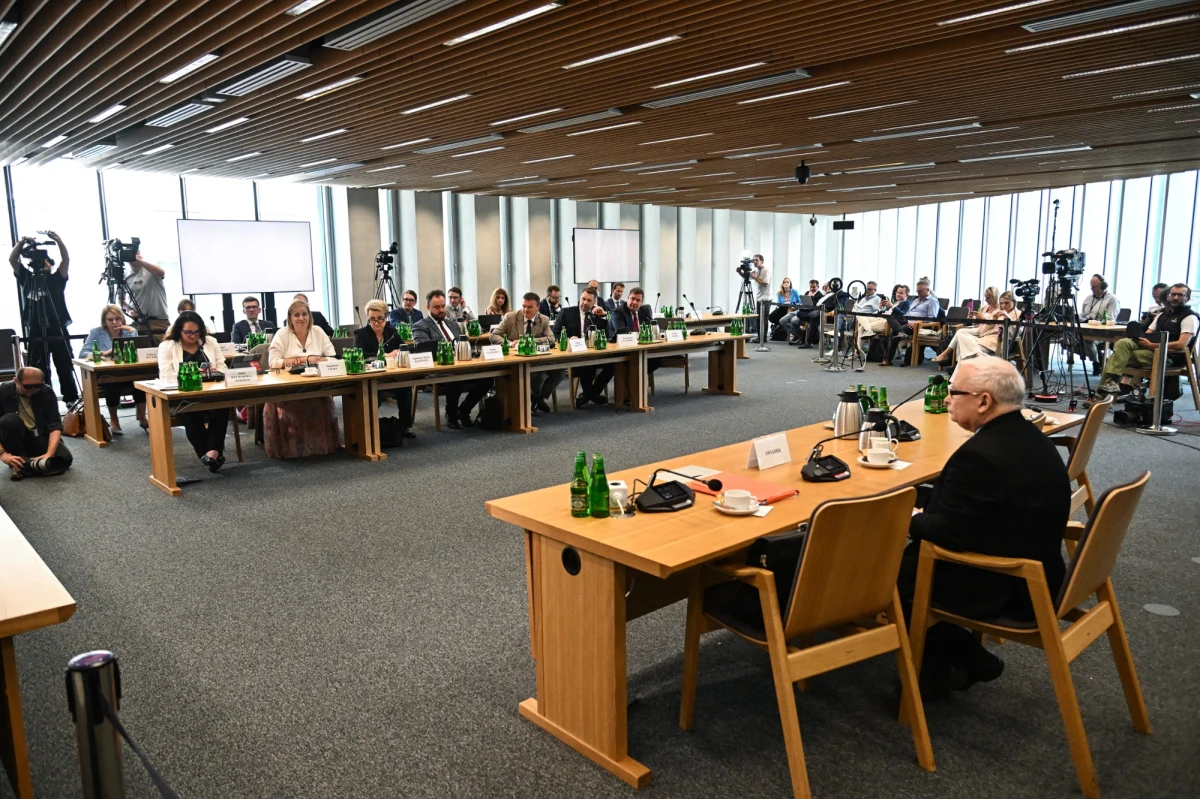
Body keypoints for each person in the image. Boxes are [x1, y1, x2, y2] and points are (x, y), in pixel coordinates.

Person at [897, 358, 1070, 694]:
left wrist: (913, 519)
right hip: (1038, 570)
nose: (947, 399)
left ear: (984, 401)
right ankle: (965, 659)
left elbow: (952, 534)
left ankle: (950, 667)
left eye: (954, 392)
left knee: (885, 576)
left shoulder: (979, 455)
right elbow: (981, 505)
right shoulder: (1032, 439)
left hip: (1001, 585)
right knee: (916, 510)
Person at [8, 232, 79, 404]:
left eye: (47, 262)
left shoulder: (56, 279)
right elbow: (12, 260)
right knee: (39, 367)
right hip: (36, 329)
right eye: (41, 261)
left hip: (57, 327)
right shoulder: (27, 279)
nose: (44, 264)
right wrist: (22, 242)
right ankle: (43, 400)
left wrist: (58, 241)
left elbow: (66, 261)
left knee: (64, 366)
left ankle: (71, 399)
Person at [1096, 283, 1197, 400]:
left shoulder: (1190, 317)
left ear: (1187, 298)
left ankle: (1100, 396)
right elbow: (1147, 335)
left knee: (1115, 358)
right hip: (1152, 351)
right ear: (1168, 296)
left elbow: (1181, 345)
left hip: (1169, 356)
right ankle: (1110, 384)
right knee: (1123, 343)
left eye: (1180, 295)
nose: (1175, 297)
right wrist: (1138, 337)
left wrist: (1151, 345)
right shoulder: (1162, 315)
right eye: (1173, 294)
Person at [264, 300, 340, 457]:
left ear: (310, 316)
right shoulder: (282, 334)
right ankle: (293, 447)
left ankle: (317, 444)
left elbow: (333, 357)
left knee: (319, 401)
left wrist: (317, 359)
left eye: (304, 314)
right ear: (290, 318)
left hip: (316, 385)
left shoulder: (318, 331)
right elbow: (273, 363)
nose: (301, 318)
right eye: (296, 315)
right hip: (288, 388)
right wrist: (297, 360)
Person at [157, 312, 229, 472]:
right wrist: (198, 372)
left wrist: (215, 371)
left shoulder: (210, 342)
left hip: (211, 392)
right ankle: (213, 454)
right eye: (188, 332)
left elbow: (223, 367)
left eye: (197, 332)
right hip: (182, 394)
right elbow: (166, 375)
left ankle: (211, 454)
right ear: (179, 331)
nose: (193, 336)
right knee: (191, 411)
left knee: (224, 406)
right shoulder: (167, 346)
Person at [412, 290, 493, 429]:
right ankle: (451, 414)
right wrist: (449, 347)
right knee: (455, 377)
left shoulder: (453, 324)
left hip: (461, 365)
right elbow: (422, 347)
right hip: (438, 368)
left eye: (443, 306)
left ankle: (464, 410)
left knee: (487, 378)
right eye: (436, 307)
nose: (441, 310)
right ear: (428, 308)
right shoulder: (420, 325)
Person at [491, 292, 564, 415]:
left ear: (538, 308)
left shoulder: (543, 319)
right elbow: (493, 336)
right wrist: (508, 343)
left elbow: (551, 339)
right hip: (514, 360)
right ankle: (534, 401)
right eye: (523, 306)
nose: (525, 310)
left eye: (530, 307)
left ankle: (537, 399)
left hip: (537, 358)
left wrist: (528, 341)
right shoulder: (510, 317)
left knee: (560, 372)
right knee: (538, 374)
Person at [79, 305, 146, 433]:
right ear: (104, 321)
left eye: (117, 318)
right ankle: (114, 421)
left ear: (122, 319)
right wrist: (105, 353)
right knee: (112, 385)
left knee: (141, 382)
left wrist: (134, 333)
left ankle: (142, 417)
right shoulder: (96, 332)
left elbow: (138, 351)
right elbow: (83, 354)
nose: (114, 322)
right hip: (107, 375)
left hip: (127, 372)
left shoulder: (128, 331)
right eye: (110, 319)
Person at [354, 299, 413, 438]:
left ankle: (406, 426)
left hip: (393, 374)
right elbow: (360, 355)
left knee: (405, 388)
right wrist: (386, 356)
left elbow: (404, 348)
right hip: (373, 377)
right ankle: (368, 429)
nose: (376, 323)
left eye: (380, 319)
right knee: (375, 394)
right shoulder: (361, 334)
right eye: (372, 319)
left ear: (386, 317)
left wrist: (399, 352)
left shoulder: (392, 332)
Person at [0, 367, 73, 480]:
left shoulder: (46, 391)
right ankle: (21, 460)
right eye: (27, 386)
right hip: (14, 438)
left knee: (65, 459)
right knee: (9, 420)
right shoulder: (3, 391)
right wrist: (3, 454)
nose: (31, 390)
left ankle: (23, 466)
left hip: (38, 435)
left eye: (37, 386)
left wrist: (49, 453)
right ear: (16, 381)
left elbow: (55, 425)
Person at [552, 287, 613, 406]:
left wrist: (603, 317)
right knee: (588, 365)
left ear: (594, 302)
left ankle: (589, 394)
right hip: (574, 353)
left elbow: (607, 335)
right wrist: (569, 339)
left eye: (589, 300)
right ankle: (592, 395)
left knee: (613, 365)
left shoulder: (596, 314)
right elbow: (555, 333)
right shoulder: (566, 312)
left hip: (594, 353)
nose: (585, 302)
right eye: (583, 299)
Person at [934, 291, 1018, 367]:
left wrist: (1008, 317)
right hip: (984, 338)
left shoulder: (1018, 314)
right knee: (961, 335)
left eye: (1006, 303)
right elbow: (984, 330)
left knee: (963, 346)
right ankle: (969, 365)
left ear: (1014, 302)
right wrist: (993, 320)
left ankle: (961, 369)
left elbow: (1017, 333)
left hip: (997, 341)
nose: (1003, 306)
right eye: (1002, 303)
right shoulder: (996, 313)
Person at [883, 278, 940, 366]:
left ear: (928, 290)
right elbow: (907, 313)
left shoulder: (932, 301)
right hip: (907, 321)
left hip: (919, 325)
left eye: (920, 291)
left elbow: (932, 318)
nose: (918, 293)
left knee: (894, 332)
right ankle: (900, 332)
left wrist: (918, 322)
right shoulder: (916, 300)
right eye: (917, 291)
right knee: (890, 317)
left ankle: (888, 359)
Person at [609, 287, 662, 375]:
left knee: (657, 359)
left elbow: (652, 325)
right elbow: (622, 332)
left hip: (641, 348)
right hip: (622, 350)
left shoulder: (644, 311)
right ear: (627, 298)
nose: (634, 302)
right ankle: (634, 379)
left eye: (638, 300)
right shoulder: (618, 312)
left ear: (641, 302)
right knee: (636, 363)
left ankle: (635, 377)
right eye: (632, 299)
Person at [122, 251, 170, 339]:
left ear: (141, 256)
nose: (133, 256)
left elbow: (161, 273)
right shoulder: (125, 276)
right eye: (131, 254)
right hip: (139, 322)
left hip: (159, 321)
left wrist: (136, 259)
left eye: (137, 253)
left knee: (162, 349)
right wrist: (129, 310)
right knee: (142, 350)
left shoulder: (151, 268)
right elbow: (121, 300)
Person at [1078, 275, 1121, 374]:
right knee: (1066, 340)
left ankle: (1096, 362)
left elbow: (1110, 320)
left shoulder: (1112, 299)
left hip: (1102, 332)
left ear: (1103, 286)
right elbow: (1083, 314)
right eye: (1091, 286)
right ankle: (1099, 357)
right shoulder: (1088, 298)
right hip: (1086, 328)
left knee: (1087, 339)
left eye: (1094, 287)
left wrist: (1095, 323)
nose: (1091, 289)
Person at [856, 283, 905, 350]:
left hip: (887, 322)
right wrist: (881, 308)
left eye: (901, 293)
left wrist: (891, 306)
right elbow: (882, 313)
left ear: (906, 295)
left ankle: (857, 352)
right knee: (859, 315)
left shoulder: (906, 303)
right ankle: (867, 331)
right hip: (880, 319)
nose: (898, 294)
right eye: (897, 292)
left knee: (861, 327)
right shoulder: (895, 303)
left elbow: (903, 314)